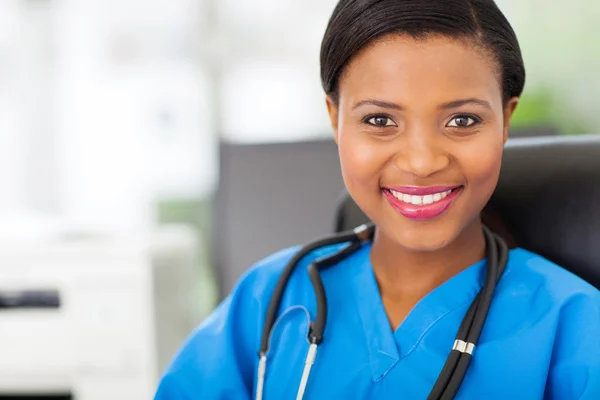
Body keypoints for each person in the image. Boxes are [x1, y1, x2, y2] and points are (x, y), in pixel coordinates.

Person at [155, 0, 600, 399]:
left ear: (505, 120)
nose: (422, 161)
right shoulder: (270, 300)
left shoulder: (576, 328)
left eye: (462, 119)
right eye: (380, 119)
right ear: (335, 120)